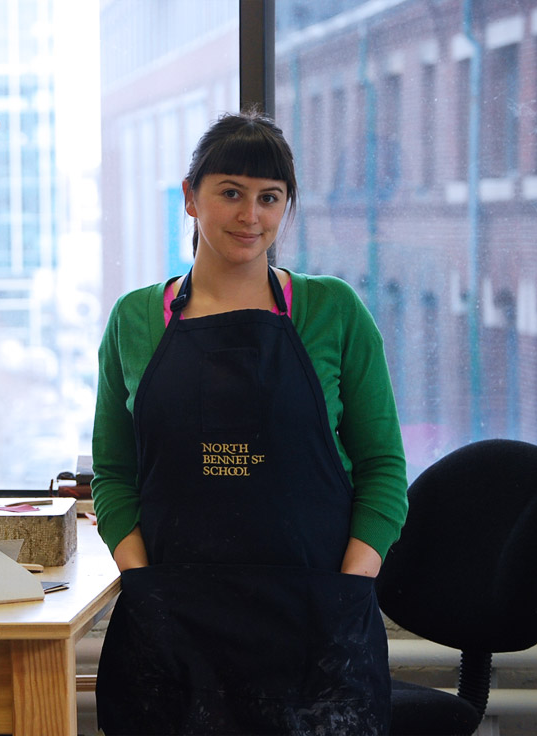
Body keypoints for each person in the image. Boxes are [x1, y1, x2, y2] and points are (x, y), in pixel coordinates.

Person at [91, 110, 409, 736]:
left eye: (270, 198)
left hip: (316, 622)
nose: (250, 216)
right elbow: (113, 471)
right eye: (230, 192)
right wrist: (142, 583)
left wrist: (347, 594)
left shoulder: (334, 311)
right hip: (174, 623)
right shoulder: (135, 319)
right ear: (190, 198)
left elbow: (384, 468)